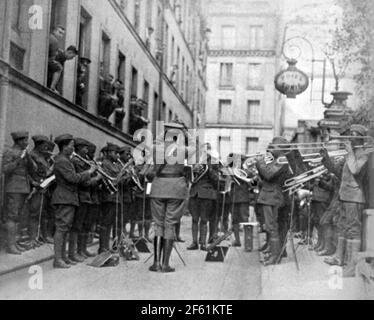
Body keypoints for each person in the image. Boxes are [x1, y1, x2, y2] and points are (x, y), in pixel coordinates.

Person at [321, 124, 369, 277]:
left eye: (353, 134)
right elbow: (338, 172)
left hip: (354, 197)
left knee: (353, 231)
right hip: (344, 195)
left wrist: (349, 153)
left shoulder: (363, 154)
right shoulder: (352, 153)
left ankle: (351, 266)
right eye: (350, 134)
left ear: (360, 137)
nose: (349, 137)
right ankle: (338, 257)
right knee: (342, 227)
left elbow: (355, 170)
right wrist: (326, 158)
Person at [149, 123, 193, 273]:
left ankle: (156, 263)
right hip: (176, 188)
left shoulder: (156, 148)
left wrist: (163, 133)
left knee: (158, 224)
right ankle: (165, 264)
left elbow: (154, 143)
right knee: (170, 224)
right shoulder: (183, 150)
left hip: (158, 187)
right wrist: (185, 134)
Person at [51, 134, 97, 269]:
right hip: (64, 197)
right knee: (61, 228)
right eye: (71, 145)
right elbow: (73, 178)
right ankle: (58, 259)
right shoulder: (62, 161)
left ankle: (63, 257)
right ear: (64, 147)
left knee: (65, 228)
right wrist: (89, 172)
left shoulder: (66, 160)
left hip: (68, 197)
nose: (73, 148)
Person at [255, 137, 291, 266]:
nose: (270, 149)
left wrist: (259, 162)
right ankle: (274, 253)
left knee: (272, 228)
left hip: (273, 197)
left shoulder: (282, 159)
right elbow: (266, 177)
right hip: (269, 196)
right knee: (271, 227)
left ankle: (275, 257)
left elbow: (268, 174)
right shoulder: (276, 160)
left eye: (273, 147)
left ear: (280, 149)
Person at [70, 138, 102, 262]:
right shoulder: (77, 162)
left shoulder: (86, 162)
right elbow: (84, 182)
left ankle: (82, 250)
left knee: (85, 226)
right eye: (85, 148)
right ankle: (74, 252)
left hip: (88, 197)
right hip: (81, 196)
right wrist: (97, 177)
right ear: (78, 148)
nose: (87, 150)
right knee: (77, 226)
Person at [1, 132, 32, 255]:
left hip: (23, 187)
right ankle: (10, 245)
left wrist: (27, 158)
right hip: (13, 188)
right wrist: (19, 159)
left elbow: (31, 169)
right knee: (12, 216)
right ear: (18, 141)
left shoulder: (25, 153)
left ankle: (15, 242)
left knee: (19, 216)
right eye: (25, 140)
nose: (27, 143)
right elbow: (5, 169)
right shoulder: (10, 152)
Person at [187, 151, 219, 251]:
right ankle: (194, 242)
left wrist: (209, 169)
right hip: (194, 194)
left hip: (206, 195)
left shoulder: (213, 166)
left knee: (204, 220)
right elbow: (190, 178)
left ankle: (203, 243)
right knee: (194, 219)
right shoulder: (193, 165)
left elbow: (216, 180)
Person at [27, 135, 55, 248]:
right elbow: (27, 172)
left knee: (41, 213)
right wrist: (33, 182)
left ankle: (38, 236)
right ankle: (32, 238)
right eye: (44, 146)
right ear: (38, 145)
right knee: (34, 213)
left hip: (44, 187)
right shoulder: (32, 156)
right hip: (36, 188)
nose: (46, 148)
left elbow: (47, 172)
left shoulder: (42, 156)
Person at [99, 143, 121, 254]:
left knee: (111, 222)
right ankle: (103, 247)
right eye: (114, 153)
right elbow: (111, 179)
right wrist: (121, 174)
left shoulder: (115, 164)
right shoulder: (105, 163)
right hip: (108, 196)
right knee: (106, 222)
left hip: (115, 197)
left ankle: (107, 246)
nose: (117, 155)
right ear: (108, 153)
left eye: (117, 153)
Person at [48, 26, 66, 93]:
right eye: (59, 32)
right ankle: (52, 87)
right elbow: (52, 57)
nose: (61, 35)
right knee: (59, 67)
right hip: (47, 59)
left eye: (62, 34)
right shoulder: (55, 41)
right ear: (54, 31)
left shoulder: (50, 36)